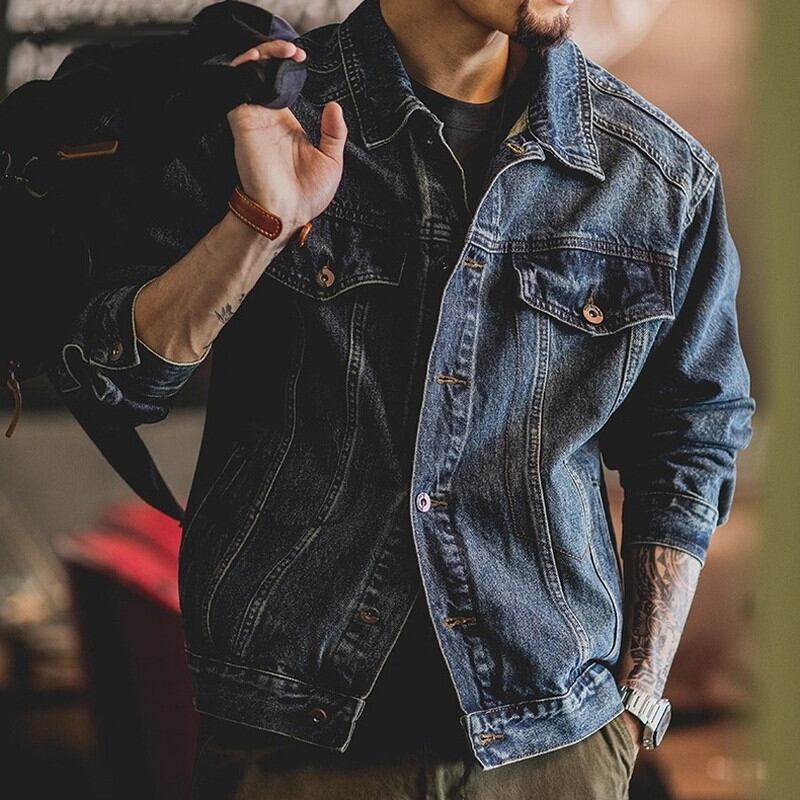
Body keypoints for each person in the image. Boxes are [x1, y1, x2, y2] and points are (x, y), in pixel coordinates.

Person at [50, 0, 755, 797]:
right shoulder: (258, 113)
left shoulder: (657, 173)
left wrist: (637, 699)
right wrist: (259, 223)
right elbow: (117, 382)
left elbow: (692, 437)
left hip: (557, 751)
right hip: (294, 746)